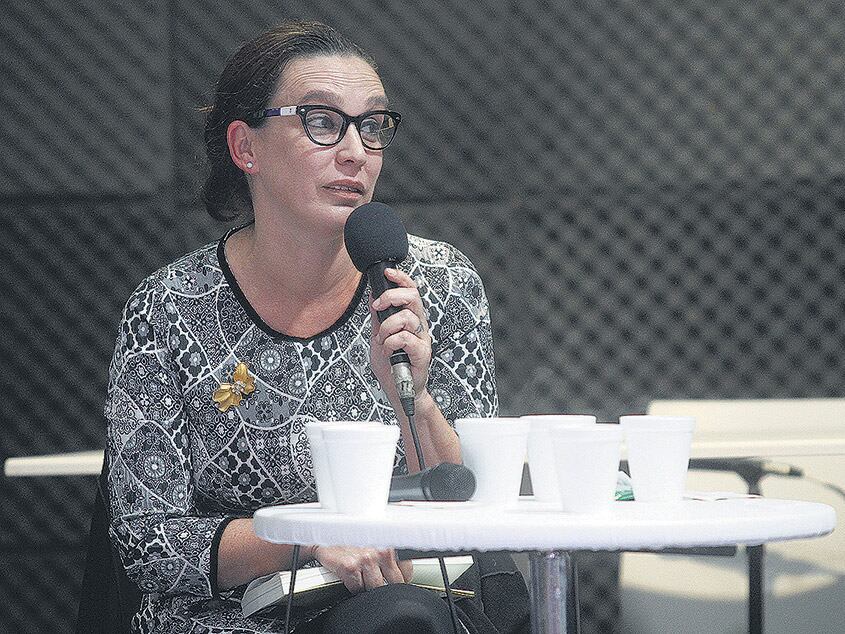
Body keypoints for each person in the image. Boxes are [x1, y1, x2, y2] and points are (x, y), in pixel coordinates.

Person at [104, 20, 521, 633]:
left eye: (372, 126)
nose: (355, 151)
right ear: (245, 148)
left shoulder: (439, 283)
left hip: (409, 602)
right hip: (235, 617)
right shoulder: (169, 309)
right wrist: (308, 540)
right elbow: (149, 542)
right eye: (322, 122)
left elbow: (470, 504)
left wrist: (415, 399)